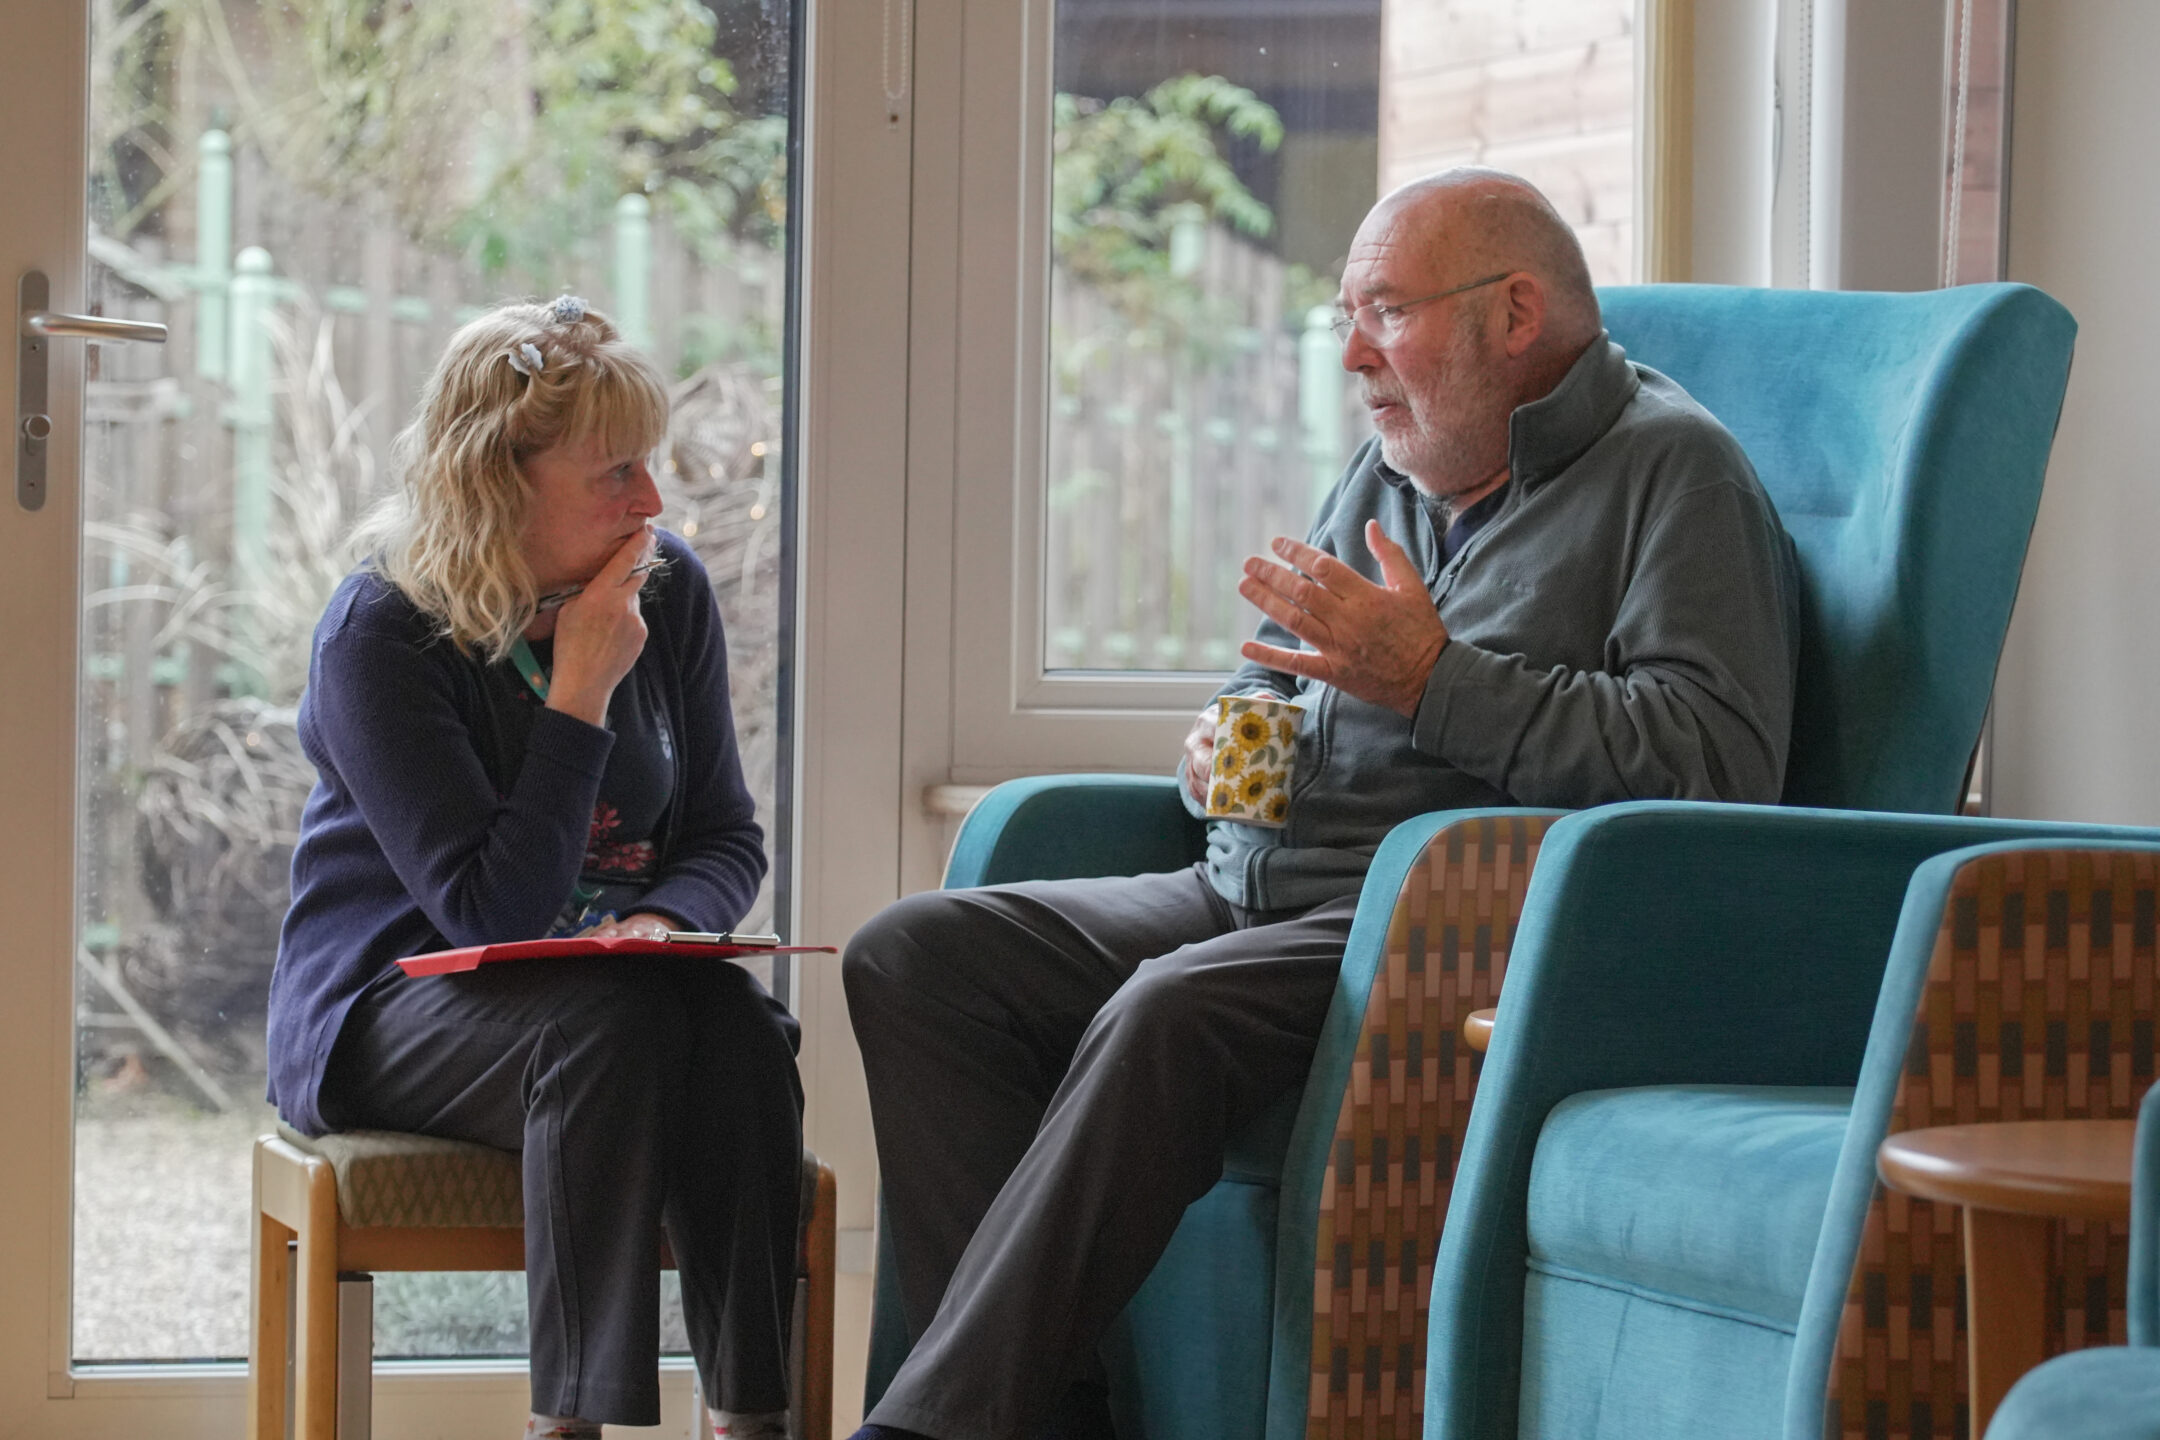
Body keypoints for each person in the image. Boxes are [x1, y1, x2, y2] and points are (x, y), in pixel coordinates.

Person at [843, 168, 1802, 1440]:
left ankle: (932, 1428)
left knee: (1167, 1011)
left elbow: (1714, 767)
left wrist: (1436, 682)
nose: (1354, 354)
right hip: (1248, 887)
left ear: (1516, 315)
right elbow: (1277, 670)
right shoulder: (1394, 466)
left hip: (1435, 924)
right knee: (916, 956)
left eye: (1387, 312)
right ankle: (1032, 1421)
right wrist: (1222, 744)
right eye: (1349, 316)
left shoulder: (1676, 474)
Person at [265, 297, 801, 1440]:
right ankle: (569, 1424)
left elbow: (724, 835)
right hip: (390, 1000)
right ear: (500, 481)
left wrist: (664, 923)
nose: (651, 502)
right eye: (615, 474)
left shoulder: (667, 589)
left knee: (738, 1028)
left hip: (607, 992)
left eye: (648, 466)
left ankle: (752, 1417)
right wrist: (581, 693)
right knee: (609, 1029)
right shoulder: (382, 630)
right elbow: (487, 910)